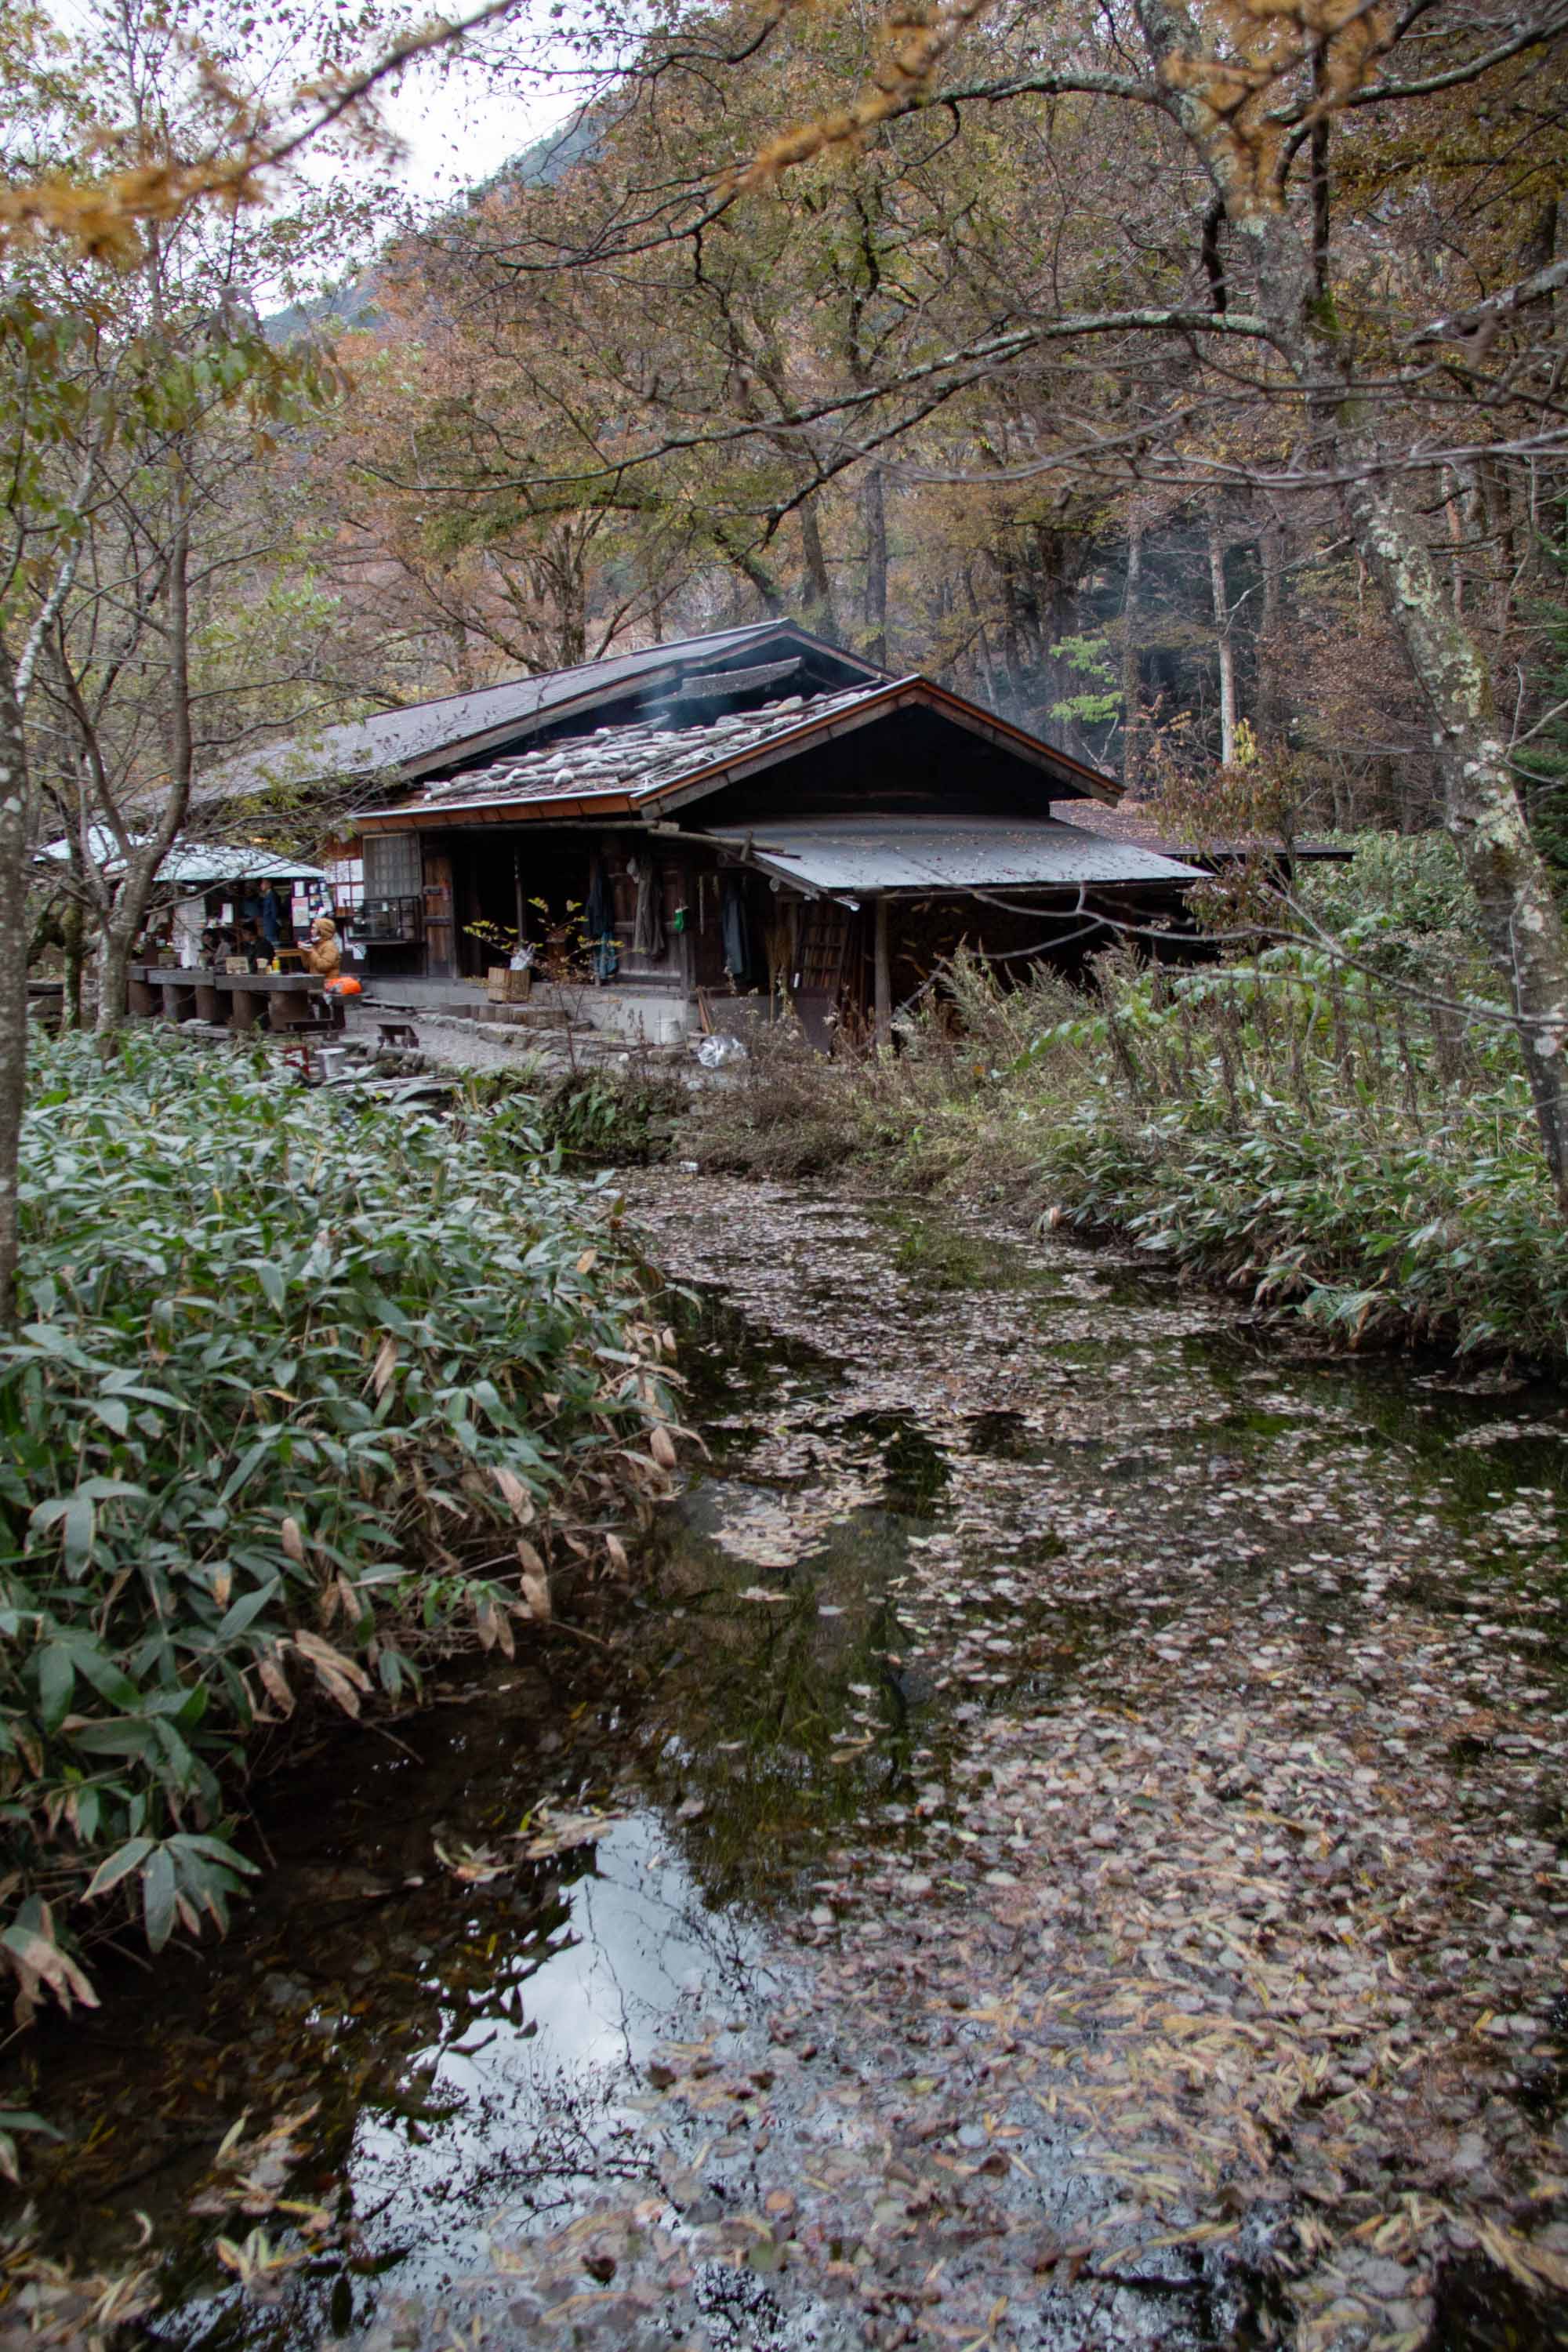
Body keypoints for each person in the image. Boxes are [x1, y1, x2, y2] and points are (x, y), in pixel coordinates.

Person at [304, 913, 341, 979]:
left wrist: (311, 951)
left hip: (328, 983)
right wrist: (303, 950)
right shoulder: (317, 944)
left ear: (322, 931)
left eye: (314, 928)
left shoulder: (330, 946)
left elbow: (323, 966)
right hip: (317, 982)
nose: (311, 931)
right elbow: (307, 966)